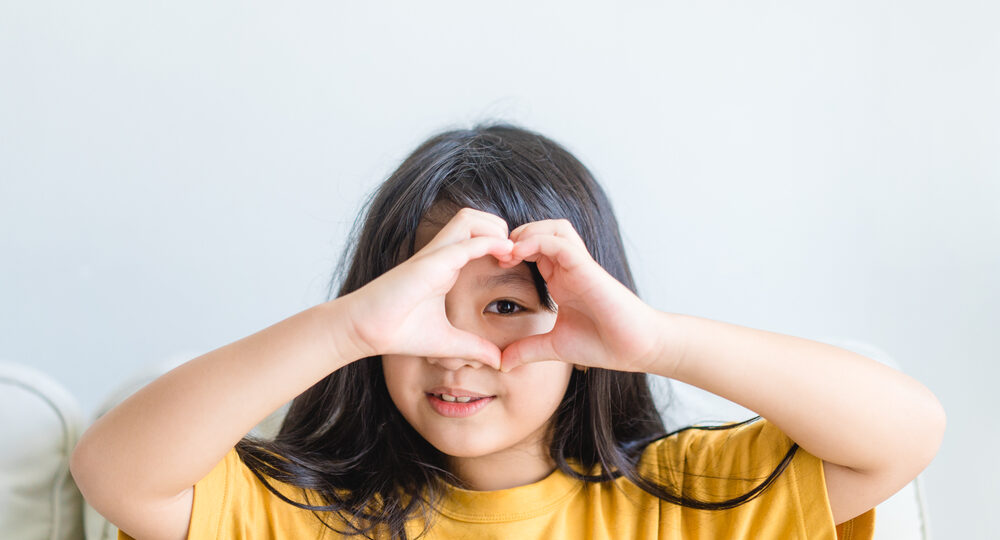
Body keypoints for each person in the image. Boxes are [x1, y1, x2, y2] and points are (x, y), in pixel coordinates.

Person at [70, 123, 945, 540]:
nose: (458, 351)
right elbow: (115, 474)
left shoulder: (686, 501)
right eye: (422, 306)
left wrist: (658, 343)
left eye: (502, 306)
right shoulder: (305, 513)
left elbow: (904, 436)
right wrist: (346, 330)